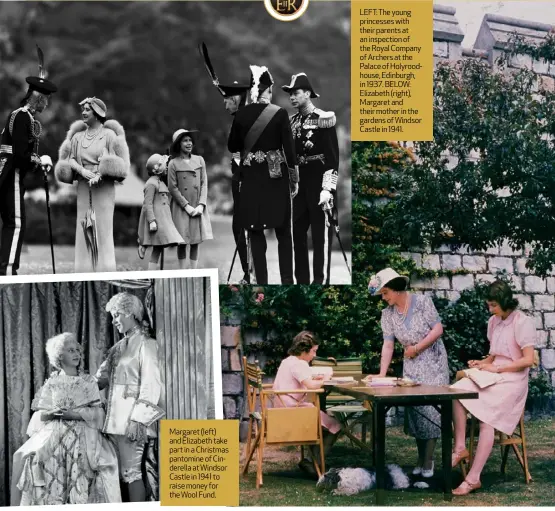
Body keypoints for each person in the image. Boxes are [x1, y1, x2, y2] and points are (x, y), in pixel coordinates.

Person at [11, 333, 121, 505]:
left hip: (84, 434)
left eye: (77, 350)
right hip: (55, 433)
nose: (77, 353)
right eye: (71, 351)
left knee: (93, 465)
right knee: (31, 458)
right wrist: (54, 413)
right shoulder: (52, 383)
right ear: (59, 356)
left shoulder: (88, 381)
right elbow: (41, 415)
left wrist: (74, 415)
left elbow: (98, 414)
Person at [450, 280, 536, 495]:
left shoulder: (522, 322)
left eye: (493, 305)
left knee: (486, 417)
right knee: (456, 390)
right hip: (494, 373)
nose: (490, 309)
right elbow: (495, 354)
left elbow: (528, 360)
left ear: (506, 303)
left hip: (513, 380)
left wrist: (498, 369)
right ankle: (460, 447)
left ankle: (473, 477)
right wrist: (483, 363)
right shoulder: (493, 322)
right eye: (489, 305)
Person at [367, 268, 449, 478]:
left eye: (385, 293)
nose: (383, 298)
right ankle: (420, 460)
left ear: (395, 288)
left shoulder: (422, 302)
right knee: (417, 413)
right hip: (411, 365)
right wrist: (382, 373)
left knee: (431, 411)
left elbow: (438, 329)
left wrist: (417, 348)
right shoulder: (388, 314)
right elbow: (388, 345)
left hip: (433, 361)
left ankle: (428, 462)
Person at [228, 65, 299, 284]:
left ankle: (263, 283)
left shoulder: (241, 114)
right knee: (284, 234)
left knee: (256, 232)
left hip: (251, 181)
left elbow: (232, 146)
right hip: (277, 180)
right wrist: (294, 180)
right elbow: (290, 149)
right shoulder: (279, 113)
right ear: (266, 90)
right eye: (270, 90)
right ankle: (288, 281)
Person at [95, 292, 165, 502]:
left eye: (117, 315)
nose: (114, 321)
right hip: (113, 424)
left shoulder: (147, 344)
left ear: (130, 313)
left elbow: (151, 384)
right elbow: (99, 380)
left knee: (131, 473)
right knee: (117, 475)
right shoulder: (118, 348)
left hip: (132, 423)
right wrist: (68, 383)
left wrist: (139, 420)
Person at [54, 97, 130, 272]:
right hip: (82, 185)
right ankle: (83, 269)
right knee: (83, 228)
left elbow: (116, 162)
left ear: (97, 113)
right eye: (83, 109)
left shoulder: (109, 136)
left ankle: (105, 269)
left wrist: (100, 173)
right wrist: (82, 171)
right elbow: (70, 159)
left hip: (103, 187)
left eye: (88, 109)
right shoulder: (77, 137)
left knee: (103, 229)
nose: (84, 112)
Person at [0, 53, 57, 275]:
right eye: (47, 98)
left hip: (11, 174)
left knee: (12, 223)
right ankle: (7, 272)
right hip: (11, 174)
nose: (48, 103)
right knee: (15, 224)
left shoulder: (24, 117)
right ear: (39, 99)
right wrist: (39, 160)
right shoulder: (23, 116)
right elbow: (21, 156)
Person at [281, 73, 339, 284]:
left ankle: (319, 282)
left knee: (319, 237)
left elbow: (333, 160)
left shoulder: (323, 119)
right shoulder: (292, 122)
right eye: (290, 95)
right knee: (297, 233)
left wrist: (327, 189)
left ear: (307, 94)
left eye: (296, 93)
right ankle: (302, 282)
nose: (292, 98)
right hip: (299, 184)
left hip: (318, 183)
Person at [273, 330, 341, 476]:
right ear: (304, 351)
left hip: (280, 410)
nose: (315, 355)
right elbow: (311, 386)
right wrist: (326, 379)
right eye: (313, 351)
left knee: (322, 422)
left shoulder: (288, 361)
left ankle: (311, 461)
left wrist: (315, 379)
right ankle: (314, 462)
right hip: (295, 412)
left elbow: (302, 380)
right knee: (335, 425)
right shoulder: (300, 364)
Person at [168, 129, 213, 269]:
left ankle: (193, 270)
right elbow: (172, 187)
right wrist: (186, 206)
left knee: (195, 241)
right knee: (182, 242)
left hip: (197, 206)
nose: (189, 143)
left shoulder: (199, 160)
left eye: (190, 140)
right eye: (185, 141)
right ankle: (182, 271)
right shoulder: (173, 164)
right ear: (178, 144)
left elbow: (204, 183)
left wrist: (201, 204)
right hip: (181, 208)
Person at [221, 80, 251, 284]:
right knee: (240, 226)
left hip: (244, 176)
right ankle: (249, 271)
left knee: (240, 226)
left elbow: (232, 145)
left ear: (234, 99)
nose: (225, 106)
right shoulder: (246, 115)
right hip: (240, 175)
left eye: (226, 101)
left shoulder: (242, 117)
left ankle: (250, 273)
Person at [137, 153, 184, 270]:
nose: (167, 166)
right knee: (158, 244)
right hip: (157, 219)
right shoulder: (151, 184)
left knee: (159, 246)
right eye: (164, 164)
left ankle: (151, 272)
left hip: (164, 217)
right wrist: (151, 220)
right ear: (156, 168)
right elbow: (148, 204)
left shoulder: (161, 182)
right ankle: (143, 245)